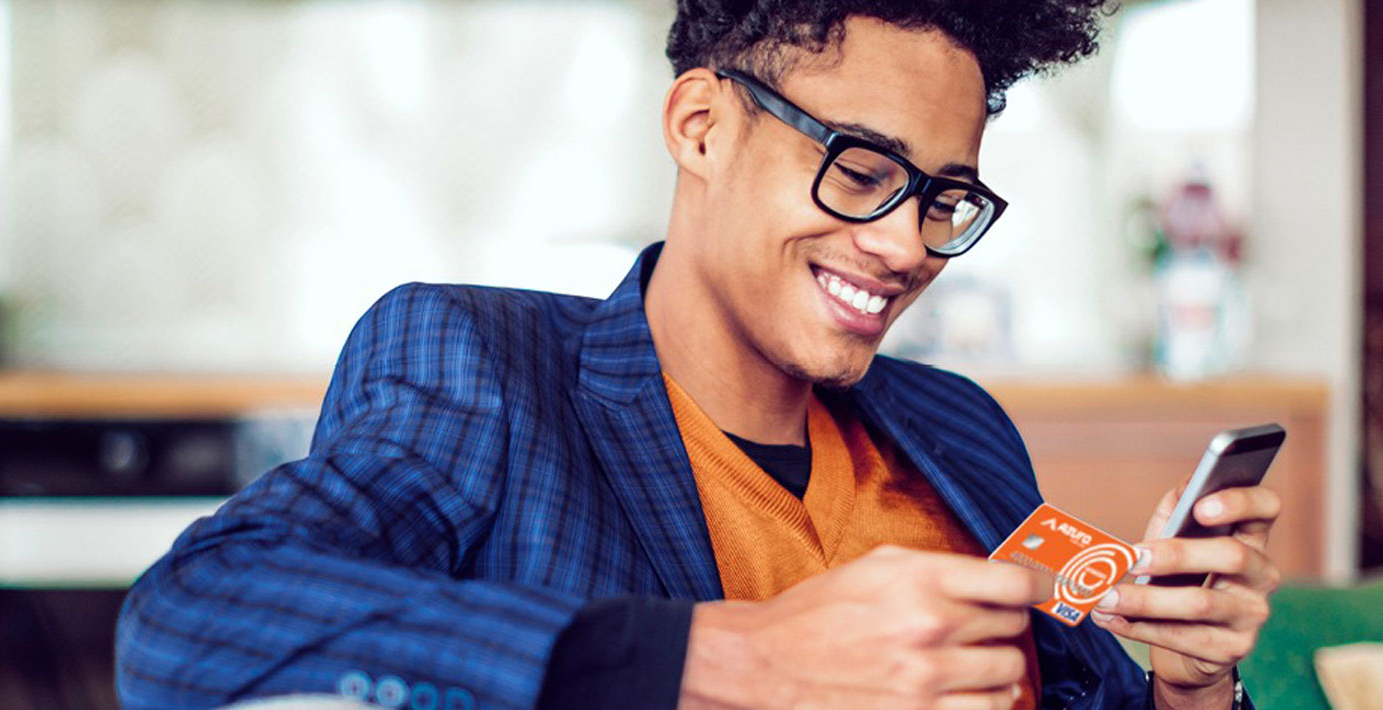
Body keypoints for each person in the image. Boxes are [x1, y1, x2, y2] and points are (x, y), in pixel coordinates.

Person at [117, 2, 1282, 708]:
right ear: (701, 127)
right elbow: (197, 618)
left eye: (944, 198)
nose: (901, 246)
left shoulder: (957, 424)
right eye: (862, 171)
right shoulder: (481, 363)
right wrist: (730, 660)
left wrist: (1191, 684)